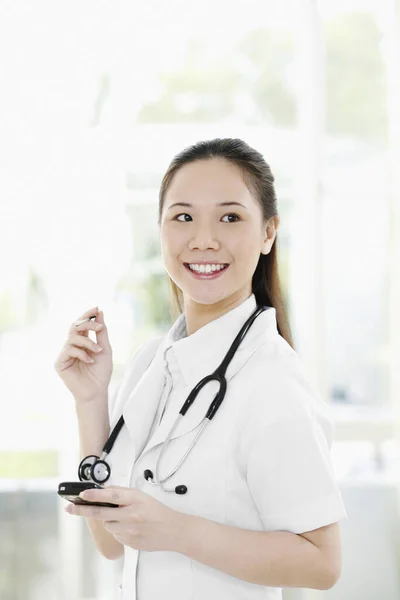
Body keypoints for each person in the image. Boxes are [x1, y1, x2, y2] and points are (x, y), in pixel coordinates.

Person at [54, 138, 348, 600]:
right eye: (183, 216)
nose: (203, 239)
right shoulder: (153, 363)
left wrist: (177, 531)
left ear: (269, 232)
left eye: (230, 217)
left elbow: (323, 563)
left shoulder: (272, 381)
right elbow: (112, 542)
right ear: (161, 230)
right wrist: (90, 400)